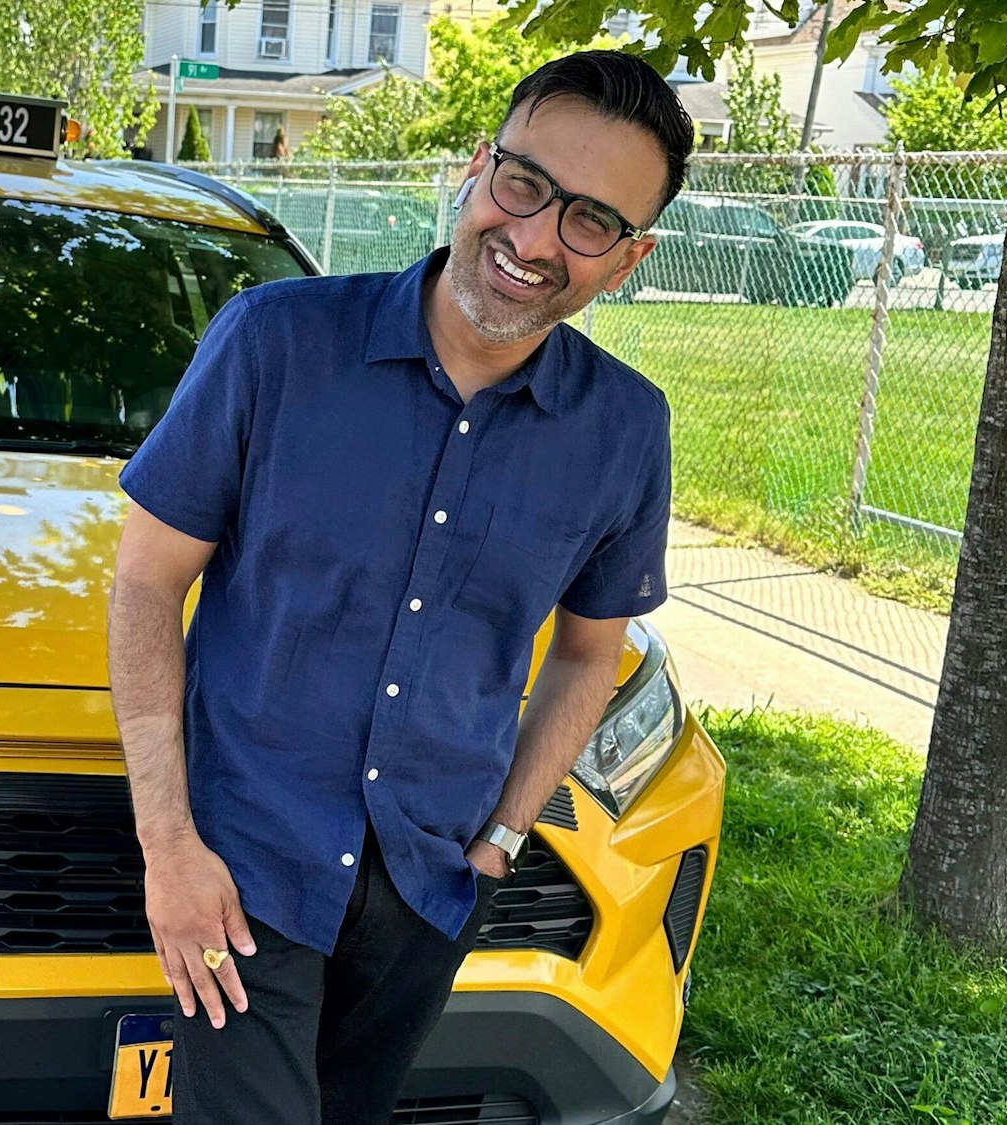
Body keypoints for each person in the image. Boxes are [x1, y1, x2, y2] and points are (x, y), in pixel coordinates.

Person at [106, 50, 693, 1124]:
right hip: (248, 869)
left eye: (589, 222)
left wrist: (502, 841)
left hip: (429, 886)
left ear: (627, 258)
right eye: (523, 186)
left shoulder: (623, 430)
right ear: (475, 170)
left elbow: (586, 653)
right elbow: (145, 586)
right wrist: (170, 849)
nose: (532, 239)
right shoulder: (275, 344)